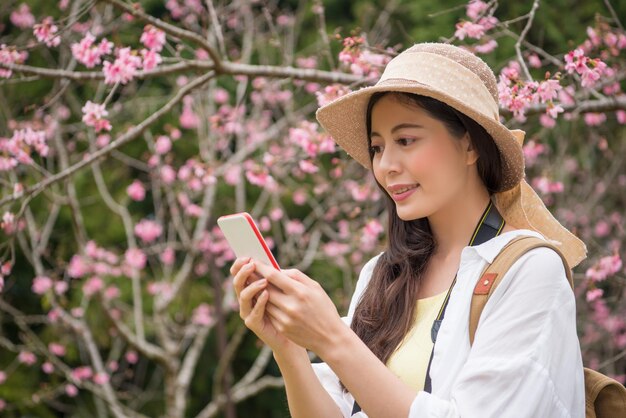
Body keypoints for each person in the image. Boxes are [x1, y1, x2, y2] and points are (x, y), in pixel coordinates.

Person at [230, 42, 588, 417]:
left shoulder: (528, 270)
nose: (386, 165)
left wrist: (332, 339)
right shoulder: (381, 275)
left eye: (405, 140)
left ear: (469, 145)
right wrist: (288, 350)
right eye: (377, 147)